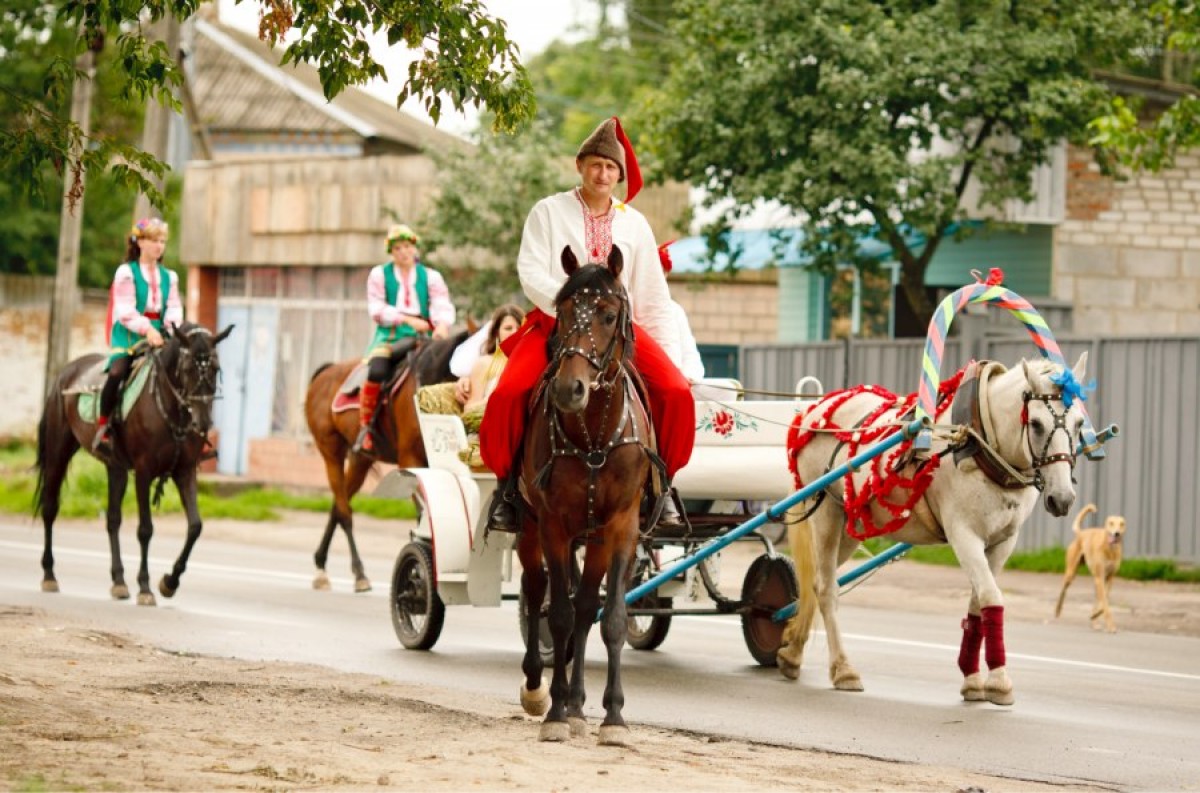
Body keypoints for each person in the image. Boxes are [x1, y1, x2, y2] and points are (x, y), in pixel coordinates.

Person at [478, 116, 696, 531]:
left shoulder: (634, 223)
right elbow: (530, 271)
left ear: (619, 175)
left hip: (616, 330)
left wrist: (668, 355)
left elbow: (651, 294)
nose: (602, 174)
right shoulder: (548, 211)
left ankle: (663, 484)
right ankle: (507, 489)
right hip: (556, 323)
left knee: (676, 392)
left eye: (611, 168)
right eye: (595, 164)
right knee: (508, 394)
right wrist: (570, 301)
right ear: (580, 165)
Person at [354, 223, 456, 456]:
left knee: (449, 367)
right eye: (398, 248)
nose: (403, 252)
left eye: (407, 246)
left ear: (414, 248)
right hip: (391, 336)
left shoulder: (431, 277)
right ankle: (366, 428)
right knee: (377, 370)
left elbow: (442, 303)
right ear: (392, 252)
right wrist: (406, 320)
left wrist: (441, 325)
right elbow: (376, 308)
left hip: (426, 338)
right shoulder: (380, 274)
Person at [92, 217, 184, 459]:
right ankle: (104, 426)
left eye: (162, 241)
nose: (159, 246)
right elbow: (125, 311)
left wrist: (171, 331)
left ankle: (186, 430)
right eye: (154, 240)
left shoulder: (170, 277)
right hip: (130, 335)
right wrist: (148, 330)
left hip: (161, 335)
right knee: (117, 372)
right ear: (140, 242)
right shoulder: (126, 272)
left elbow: (174, 308)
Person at [455, 303, 525, 415]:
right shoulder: (484, 363)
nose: (514, 332)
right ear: (497, 333)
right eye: (508, 328)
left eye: (519, 328)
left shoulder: (530, 364)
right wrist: (491, 402)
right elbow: (469, 410)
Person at [657, 240, 706, 383]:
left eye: (661, 272)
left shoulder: (675, 310)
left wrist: (687, 377)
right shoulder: (630, 307)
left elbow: (690, 355)